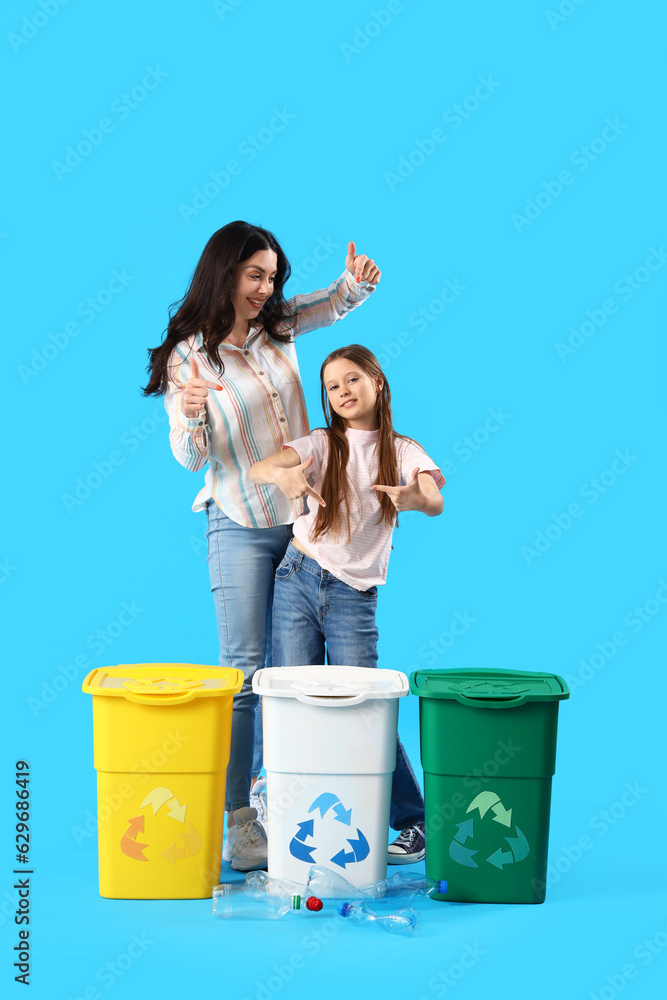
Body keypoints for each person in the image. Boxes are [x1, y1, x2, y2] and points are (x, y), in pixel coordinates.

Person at [142, 222, 380, 870]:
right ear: (223, 273)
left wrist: (352, 287)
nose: (265, 288)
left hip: (306, 519)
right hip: (241, 524)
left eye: (272, 276)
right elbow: (191, 459)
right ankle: (240, 821)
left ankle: (357, 806)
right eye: (254, 275)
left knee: (328, 668)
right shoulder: (187, 357)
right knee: (245, 671)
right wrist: (191, 410)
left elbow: (326, 305)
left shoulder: (278, 326)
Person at [249, 344, 445, 863]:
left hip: (354, 596)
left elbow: (436, 499)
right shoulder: (320, 443)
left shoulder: (402, 450)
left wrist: (414, 498)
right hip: (297, 576)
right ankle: (287, 813)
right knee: (291, 701)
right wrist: (285, 475)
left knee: (366, 710)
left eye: (353, 379)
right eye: (333, 387)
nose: (343, 392)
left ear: (377, 382)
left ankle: (413, 819)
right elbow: (260, 469)